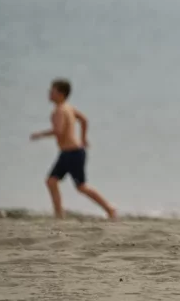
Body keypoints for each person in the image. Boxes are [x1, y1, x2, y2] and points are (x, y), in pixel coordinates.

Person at [30, 78, 117, 220]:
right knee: (52, 181)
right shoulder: (68, 107)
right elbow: (84, 120)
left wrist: (40, 135)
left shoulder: (59, 110)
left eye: (52, 91)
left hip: (72, 153)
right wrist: (83, 138)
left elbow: (58, 131)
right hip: (69, 152)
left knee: (80, 186)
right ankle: (59, 214)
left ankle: (110, 209)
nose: (49, 93)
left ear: (61, 94)